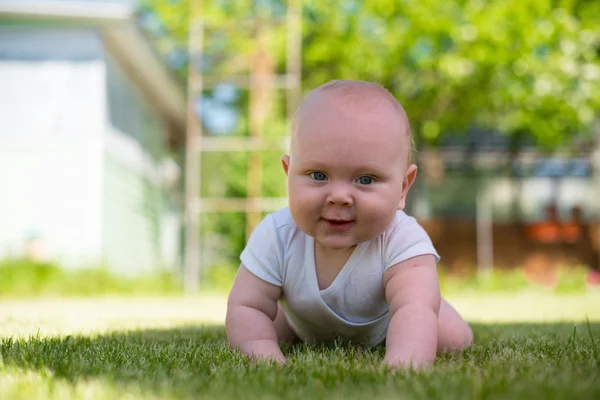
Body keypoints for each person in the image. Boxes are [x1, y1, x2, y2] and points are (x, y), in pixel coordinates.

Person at [225, 80, 473, 370]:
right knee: (261, 326)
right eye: (318, 175)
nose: (340, 197)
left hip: (388, 322)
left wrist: (404, 366)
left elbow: (412, 308)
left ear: (403, 188)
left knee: (454, 339)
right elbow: (247, 305)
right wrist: (262, 354)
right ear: (288, 173)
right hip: (302, 322)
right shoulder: (276, 235)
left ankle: (430, 318)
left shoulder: (402, 239)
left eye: (365, 179)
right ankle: (293, 331)